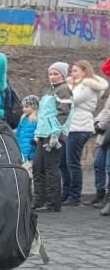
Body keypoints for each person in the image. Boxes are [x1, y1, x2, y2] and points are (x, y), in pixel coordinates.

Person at [61, 60, 107, 206]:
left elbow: (71, 100)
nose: (72, 74)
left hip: (79, 127)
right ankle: (68, 193)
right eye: (71, 71)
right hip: (74, 126)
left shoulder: (86, 87)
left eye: (75, 71)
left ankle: (74, 196)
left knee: (73, 163)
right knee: (66, 162)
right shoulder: (82, 84)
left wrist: (68, 85)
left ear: (84, 71)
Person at [33, 62, 74, 213]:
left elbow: (63, 114)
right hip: (43, 135)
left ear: (63, 75)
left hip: (53, 135)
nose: (53, 76)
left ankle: (53, 203)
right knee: (38, 168)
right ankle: (38, 201)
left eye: (56, 74)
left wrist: (55, 135)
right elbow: (43, 115)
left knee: (50, 169)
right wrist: (37, 134)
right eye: (51, 74)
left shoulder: (64, 90)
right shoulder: (50, 90)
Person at [93, 58, 110, 211]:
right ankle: (100, 193)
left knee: (108, 166)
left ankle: (107, 198)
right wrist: (97, 122)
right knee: (99, 164)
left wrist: (100, 124)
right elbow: (105, 110)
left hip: (106, 130)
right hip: (105, 133)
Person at [16, 95, 39, 162]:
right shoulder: (23, 118)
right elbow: (18, 134)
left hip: (30, 151)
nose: (24, 109)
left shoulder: (36, 119)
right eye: (23, 107)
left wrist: (31, 154)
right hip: (21, 148)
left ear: (34, 107)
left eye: (26, 107)